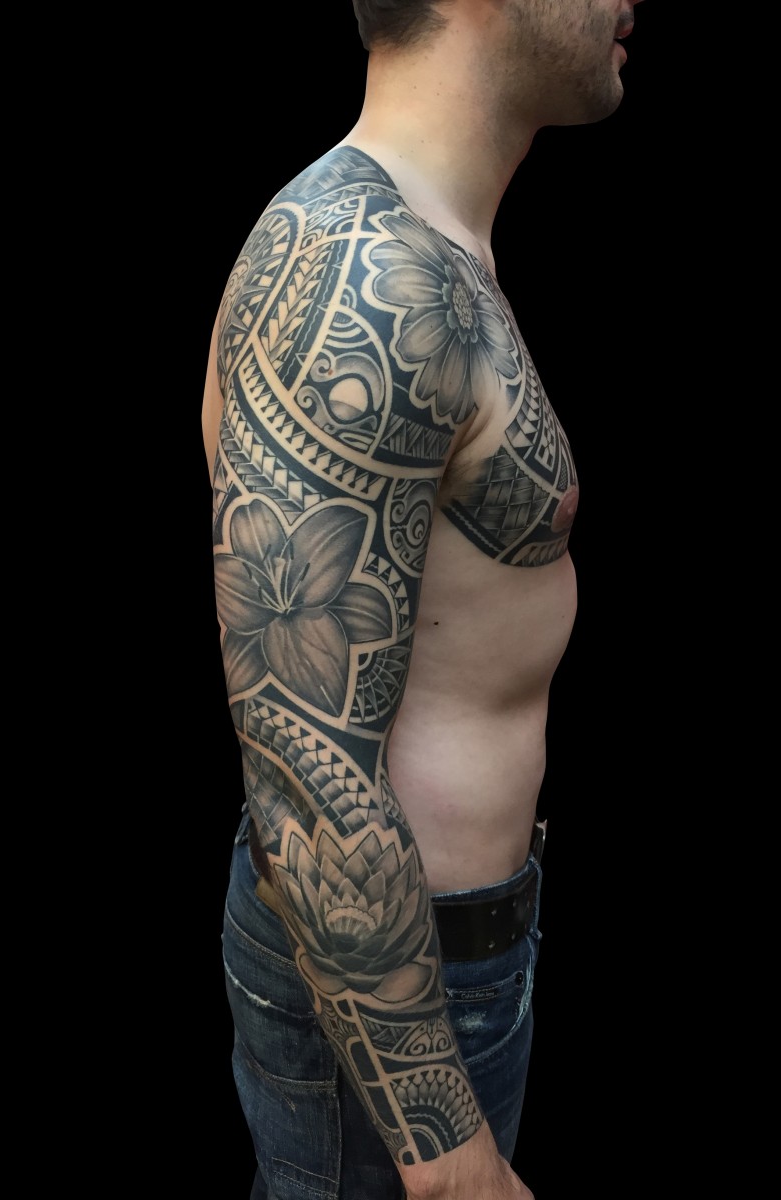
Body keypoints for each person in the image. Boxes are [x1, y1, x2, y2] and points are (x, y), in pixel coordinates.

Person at [201, 2, 645, 1196]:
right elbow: (303, 772)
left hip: (439, 972)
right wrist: (449, 1162)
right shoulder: (363, 274)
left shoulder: (423, 242)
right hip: (392, 1008)